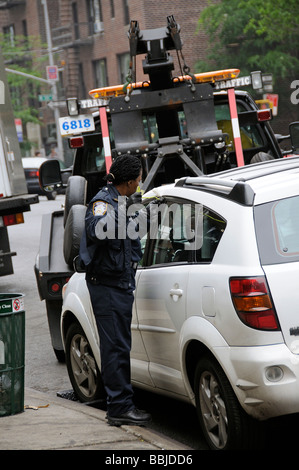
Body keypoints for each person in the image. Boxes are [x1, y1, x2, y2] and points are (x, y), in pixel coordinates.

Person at [79, 154, 151, 426]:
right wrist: (124, 210)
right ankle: (119, 408)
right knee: (115, 348)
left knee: (120, 346)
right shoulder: (102, 202)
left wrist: (141, 213)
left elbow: (133, 235)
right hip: (107, 286)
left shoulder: (122, 201)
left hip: (121, 283)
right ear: (130, 182)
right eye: (139, 181)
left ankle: (122, 403)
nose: (140, 184)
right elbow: (97, 230)